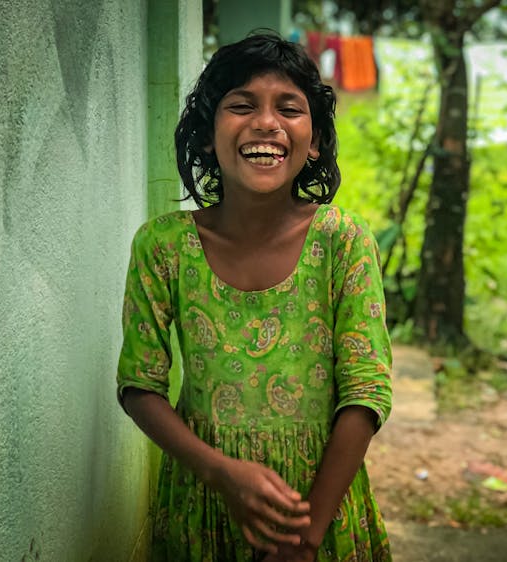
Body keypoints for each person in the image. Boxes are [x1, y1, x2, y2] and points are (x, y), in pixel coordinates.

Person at [116, 31, 393, 562]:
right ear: (205, 135)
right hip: (202, 504)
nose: (266, 122)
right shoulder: (163, 247)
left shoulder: (343, 243)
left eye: (289, 108)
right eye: (241, 105)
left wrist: (306, 533)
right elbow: (139, 385)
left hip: (319, 505)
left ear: (314, 140)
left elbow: (367, 392)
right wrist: (220, 472)